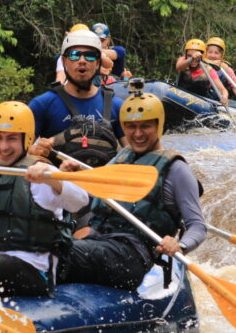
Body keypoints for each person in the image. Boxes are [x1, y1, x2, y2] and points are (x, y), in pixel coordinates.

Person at [46, 92, 207, 291]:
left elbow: (198, 226)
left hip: (133, 255)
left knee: (53, 253)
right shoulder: (123, 156)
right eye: (131, 127)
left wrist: (179, 246)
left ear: (159, 125)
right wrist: (72, 178)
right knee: (39, 242)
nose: (137, 134)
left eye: (145, 126)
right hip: (100, 241)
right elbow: (95, 197)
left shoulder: (177, 169)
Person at [0, 102, 89, 299]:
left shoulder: (43, 171)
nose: (3, 146)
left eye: (12, 139)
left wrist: (53, 179)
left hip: (35, 272)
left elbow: (80, 201)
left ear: (27, 140)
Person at [29, 28, 127, 169]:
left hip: (102, 187)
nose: (82, 61)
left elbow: (134, 154)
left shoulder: (116, 106)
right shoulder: (43, 105)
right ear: (64, 61)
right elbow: (19, 151)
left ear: (98, 62)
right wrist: (34, 151)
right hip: (60, 187)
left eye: (90, 56)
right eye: (74, 55)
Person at [175, 38, 229, 106]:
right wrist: (191, 59)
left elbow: (223, 90)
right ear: (186, 55)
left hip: (200, 104)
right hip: (180, 98)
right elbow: (178, 67)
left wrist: (224, 97)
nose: (194, 60)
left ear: (203, 56)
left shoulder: (208, 70)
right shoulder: (183, 61)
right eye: (189, 55)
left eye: (197, 57)